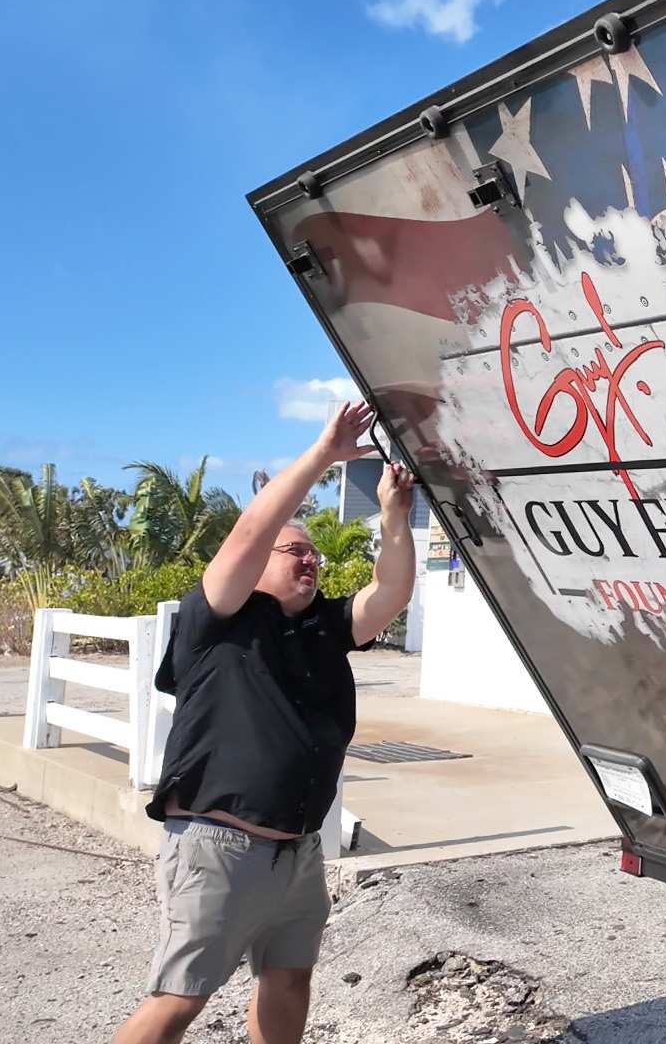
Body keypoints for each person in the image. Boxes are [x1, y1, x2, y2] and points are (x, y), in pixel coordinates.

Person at [113, 402, 416, 1044]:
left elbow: (390, 592)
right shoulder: (219, 618)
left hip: (298, 851)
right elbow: (253, 529)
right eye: (295, 551)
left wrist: (394, 516)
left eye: (315, 555)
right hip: (220, 847)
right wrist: (323, 454)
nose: (311, 561)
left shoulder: (324, 626)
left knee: (289, 978)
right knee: (179, 999)